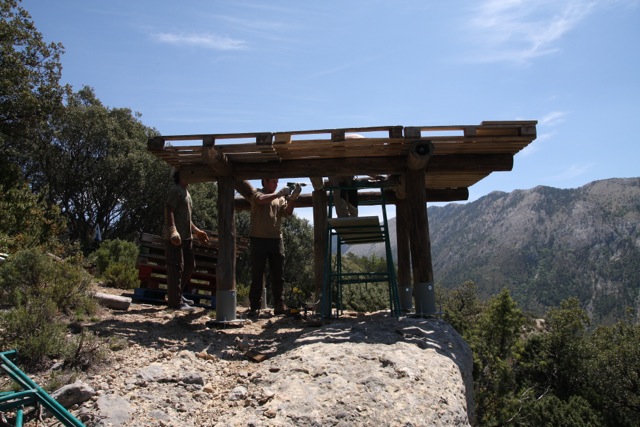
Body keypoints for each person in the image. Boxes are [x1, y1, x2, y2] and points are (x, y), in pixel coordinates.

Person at [248, 178, 301, 316]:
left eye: (277, 182)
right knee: (257, 274)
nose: (276, 184)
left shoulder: (280, 198)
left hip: (276, 239)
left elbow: (287, 212)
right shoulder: (257, 193)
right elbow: (260, 200)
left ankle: (279, 305)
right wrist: (279, 194)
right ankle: (254, 307)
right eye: (273, 181)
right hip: (258, 238)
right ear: (264, 182)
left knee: (278, 275)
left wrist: (293, 199)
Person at [164, 170, 209, 310]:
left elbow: (185, 217)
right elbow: (169, 209)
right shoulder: (176, 190)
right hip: (175, 237)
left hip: (186, 237)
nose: (191, 176)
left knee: (189, 265)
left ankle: (178, 294)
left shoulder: (187, 193)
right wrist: (172, 230)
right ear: (180, 175)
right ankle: (174, 303)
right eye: (188, 173)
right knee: (176, 268)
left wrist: (196, 231)